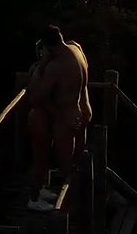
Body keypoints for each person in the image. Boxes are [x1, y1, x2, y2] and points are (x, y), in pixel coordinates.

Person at [25, 25, 93, 212]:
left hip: (67, 120)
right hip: (83, 112)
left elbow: (35, 97)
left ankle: (64, 208)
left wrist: (39, 68)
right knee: (74, 162)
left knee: (66, 167)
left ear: (47, 47)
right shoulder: (75, 47)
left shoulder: (55, 67)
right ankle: (48, 194)